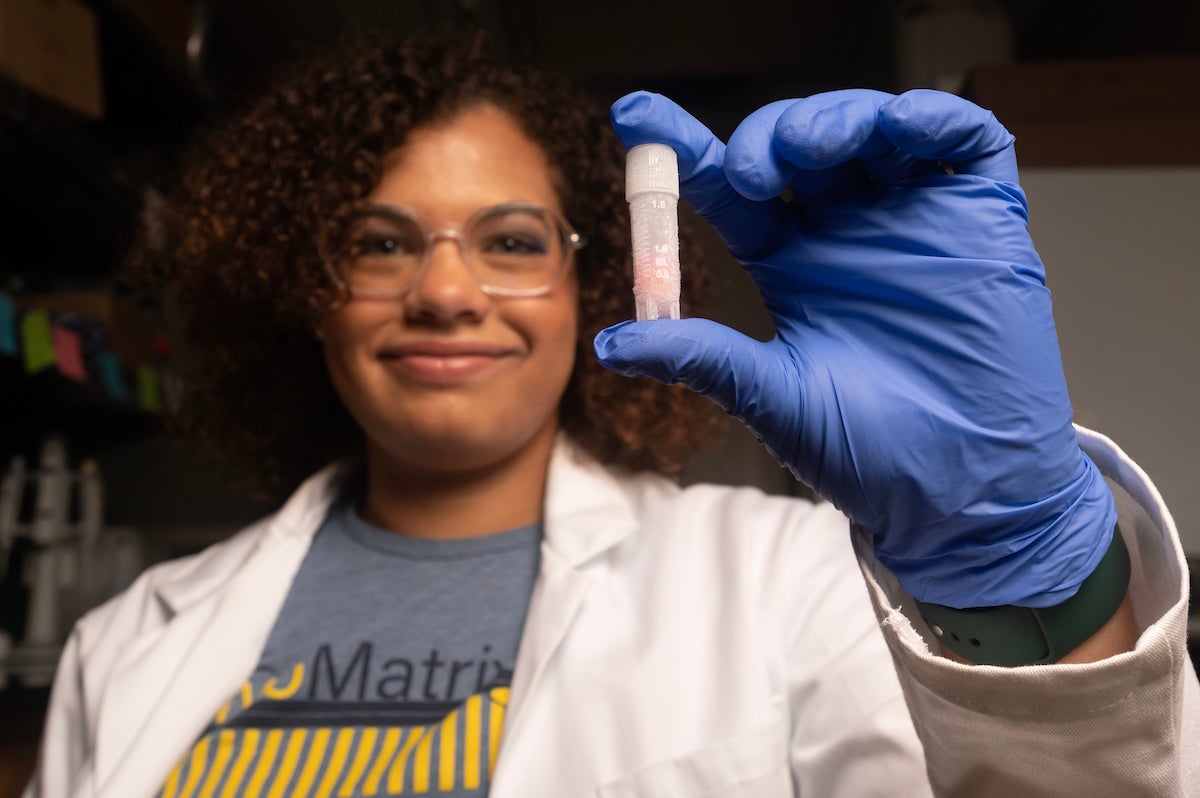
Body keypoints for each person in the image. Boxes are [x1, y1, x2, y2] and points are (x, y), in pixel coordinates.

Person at [26, 30, 1198, 798]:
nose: (445, 291)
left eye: (512, 241)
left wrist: (1017, 572)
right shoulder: (127, 644)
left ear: (590, 281)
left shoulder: (790, 588)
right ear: (306, 293)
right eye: (382, 242)